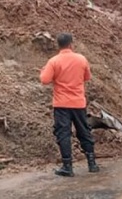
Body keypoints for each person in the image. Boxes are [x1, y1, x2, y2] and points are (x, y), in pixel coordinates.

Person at [40, 33, 98, 177]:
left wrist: (42, 72)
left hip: (61, 104)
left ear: (58, 45)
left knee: (63, 133)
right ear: (71, 44)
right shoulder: (81, 59)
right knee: (84, 131)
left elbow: (45, 80)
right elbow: (87, 77)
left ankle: (67, 166)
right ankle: (92, 164)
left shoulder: (54, 61)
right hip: (79, 103)